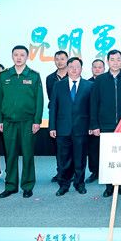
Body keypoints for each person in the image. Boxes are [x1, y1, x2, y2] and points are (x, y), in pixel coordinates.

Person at [0, 45, 44, 199]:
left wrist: (37, 121)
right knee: (10, 155)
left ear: (27, 57)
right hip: (8, 122)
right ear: (12, 56)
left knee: (28, 155)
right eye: (16, 54)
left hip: (28, 122)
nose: (19, 57)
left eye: (22, 55)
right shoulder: (4, 75)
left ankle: (27, 186)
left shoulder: (34, 76)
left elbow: (39, 100)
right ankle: (10, 186)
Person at [89, 49, 121, 197]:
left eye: (118, 59)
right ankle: (109, 186)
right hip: (105, 125)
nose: (115, 62)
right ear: (108, 61)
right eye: (112, 59)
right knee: (107, 157)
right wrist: (94, 125)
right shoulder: (100, 80)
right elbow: (94, 103)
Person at [49, 57, 92, 196]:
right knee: (63, 159)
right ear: (67, 68)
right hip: (62, 128)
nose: (74, 69)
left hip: (82, 128)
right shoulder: (58, 85)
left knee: (80, 159)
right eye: (71, 67)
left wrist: (92, 126)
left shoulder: (89, 85)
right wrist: (52, 127)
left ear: (81, 69)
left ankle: (79, 184)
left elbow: (92, 108)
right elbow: (53, 107)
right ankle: (63, 185)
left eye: (77, 67)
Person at [46, 50, 69, 184]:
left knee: (70, 147)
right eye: (57, 59)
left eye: (62, 59)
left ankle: (69, 172)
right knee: (58, 147)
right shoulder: (50, 78)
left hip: (70, 116)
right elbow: (51, 98)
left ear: (67, 60)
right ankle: (60, 172)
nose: (59, 62)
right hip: (56, 115)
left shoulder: (73, 75)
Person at [85, 58, 106, 181]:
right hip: (92, 122)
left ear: (104, 68)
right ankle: (95, 172)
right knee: (93, 149)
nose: (97, 69)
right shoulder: (87, 83)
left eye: (100, 67)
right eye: (95, 67)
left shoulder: (108, 82)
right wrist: (90, 124)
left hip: (106, 121)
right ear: (91, 69)